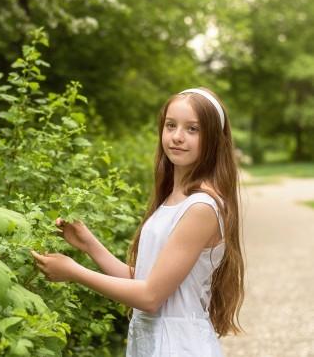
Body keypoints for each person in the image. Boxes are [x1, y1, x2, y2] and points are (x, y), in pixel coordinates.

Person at [31, 87, 245, 356]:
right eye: (171, 125)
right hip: (155, 342)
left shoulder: (201, 207)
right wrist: (89, 244)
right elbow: (144, 280)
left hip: (178, 346)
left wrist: (74, 272)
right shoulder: (173, 199)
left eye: (193, 129)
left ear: (213, 139)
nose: (177, 137)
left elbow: (150, 297)